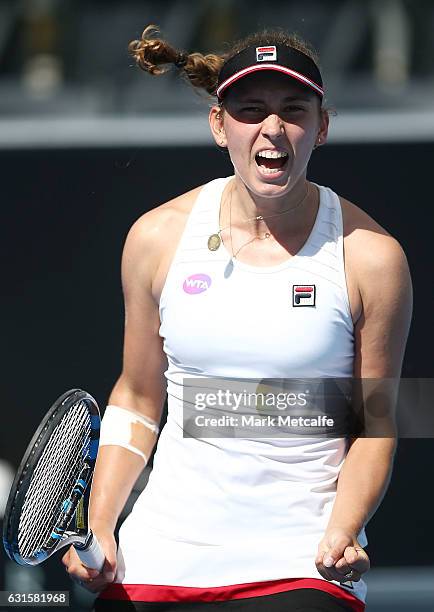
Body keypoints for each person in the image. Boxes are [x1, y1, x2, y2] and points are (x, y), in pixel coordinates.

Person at [62, 25, 412, 612]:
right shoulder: (156, 238)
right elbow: (138, 396)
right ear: (220, 126)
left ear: (321, 127)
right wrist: (101, 523)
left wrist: (343, 530)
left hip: (300, 562)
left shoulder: (375, 258)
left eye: (292, 110)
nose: (272, 129)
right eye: (251, 111)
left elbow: (375, 423)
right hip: (160, 555)